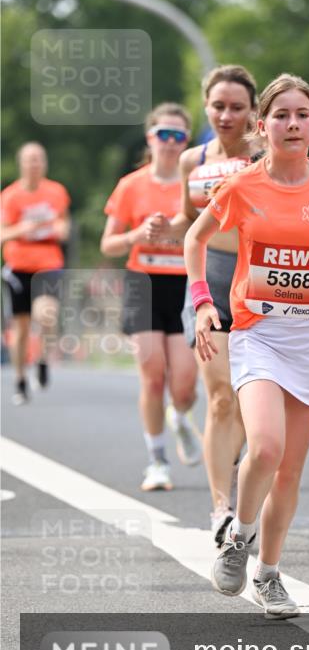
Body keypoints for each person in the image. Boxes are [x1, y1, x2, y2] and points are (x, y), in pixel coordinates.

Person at [185, 73, 309, 618]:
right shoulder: (241, 186)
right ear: (263, 127)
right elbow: (195, 239)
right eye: (280, 115)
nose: (292, 124)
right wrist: (203, 301)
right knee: (264, 447)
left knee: (289, 471)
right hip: (258, 334)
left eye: (301, 115)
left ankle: (269, 573)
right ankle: (240, 536)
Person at [166, 65, 260, 545]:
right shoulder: (191, 161)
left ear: (253, 111)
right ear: (206, 105)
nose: (227, 115)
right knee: (220, 394)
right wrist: (172, 233)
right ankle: (220, 509)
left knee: (248, 399)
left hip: (261, 283)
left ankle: (243, 466)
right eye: (219, 106)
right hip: (210, 279)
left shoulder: (265, 156)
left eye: (237, 107)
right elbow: (189, 218)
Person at [100, 103, 201, 492]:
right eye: (164, 135)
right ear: (150, 138)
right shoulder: (131, 185)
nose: (171, 143)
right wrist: (135, 236)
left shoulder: (194, 184)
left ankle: (179, 416)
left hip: (185, 285)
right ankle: (157, 461)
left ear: (187, 141)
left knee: (185, 385)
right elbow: (109, 244)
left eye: (179, 136)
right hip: (143, 283)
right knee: (152, 374)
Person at [1, 143, 70, 404]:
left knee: (47, 315)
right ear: (21, 164)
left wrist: (59, 229)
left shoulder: (56, 192)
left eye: (39, 159)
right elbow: (3, 233)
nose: (35, 164)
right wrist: (24, 228)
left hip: (48, 262)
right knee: (20, 326)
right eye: (30, 160)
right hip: (18, 266)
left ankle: (42, 359)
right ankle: (20, 379)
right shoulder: (10, 196)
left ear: (45, 164)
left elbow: (63, 223)